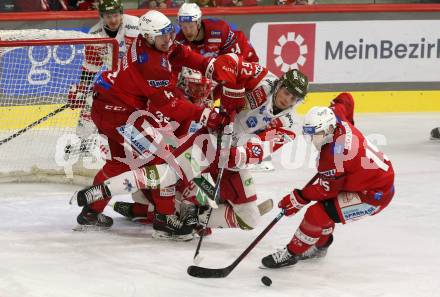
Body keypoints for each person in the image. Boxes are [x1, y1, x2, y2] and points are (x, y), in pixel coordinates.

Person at [71, 53, 309, 235]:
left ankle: (194, 217)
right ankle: (104, 191)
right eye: (286, 91)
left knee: (250, 218)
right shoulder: (262, 79)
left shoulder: (290, 124)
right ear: (280, 84)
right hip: (211, 140)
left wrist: (238, 155)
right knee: (168, 175)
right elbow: (228, 62)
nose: (286, 99)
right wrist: (231, 89)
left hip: (234, 159)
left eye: (293, 97)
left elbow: (263, 148)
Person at [72, 10, 229, 241]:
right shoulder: (152, 65)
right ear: (147, 37)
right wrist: (206, 115)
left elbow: (179, 51)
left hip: (108, 107)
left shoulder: (151, 41)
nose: (168, 39)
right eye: (162, 36)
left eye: (169, 33)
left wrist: (208, 65)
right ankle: (164, 219)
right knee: (163, 158)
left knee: (118, 163)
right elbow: (171, 106)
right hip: (120, 117)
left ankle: (91, 213)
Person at [261, 92, 395, 268]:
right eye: (311, 134)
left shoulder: (334, 155)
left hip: (373, 195)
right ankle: (321, 244)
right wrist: (349, 122)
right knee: (325, 210)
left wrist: (299, 197)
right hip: (364, 179)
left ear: (330, 129)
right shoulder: (336, 116)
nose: (313, 139)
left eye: (317, 134)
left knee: (317, 213)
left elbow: (327, 190)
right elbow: (346, 98)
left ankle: (292, 253)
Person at [66, 0, 140, 159]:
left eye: (115, 15)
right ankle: (83, 141)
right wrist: (82, 88)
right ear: (101, 17)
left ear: (121, 13)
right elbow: (91, 66)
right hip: (116, 82)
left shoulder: (135, 26)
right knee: (90, 102)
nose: (112, 20)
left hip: (140, 78)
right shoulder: (94, 34)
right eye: (108, 16)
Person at [176, 3, 258, 63]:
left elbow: (238, 62)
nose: (188, 31)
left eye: (191, 26)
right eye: (183, 26)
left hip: (246, 60)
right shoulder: (179, 40)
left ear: (198, 23)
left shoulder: (219, 29)